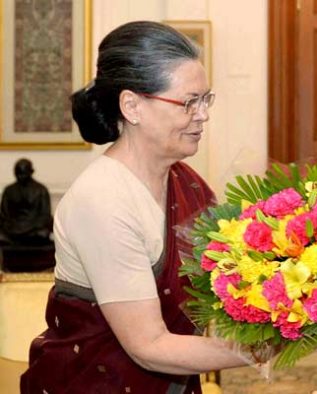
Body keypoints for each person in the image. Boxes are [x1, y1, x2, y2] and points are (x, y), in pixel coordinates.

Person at [21, 21, 246, 393]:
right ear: (132, 106)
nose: (203, 114)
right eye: (189, 102)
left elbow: (239, 278)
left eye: (206, 99)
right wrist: (263, 349)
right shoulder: (102, 199)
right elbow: (150, 346)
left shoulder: (190, 184)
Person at [0, 158, 53, 246]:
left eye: (23, 174)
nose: (20, 177)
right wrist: (14, 226)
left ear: (31, 172)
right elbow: (4, 215)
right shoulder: (9, 190)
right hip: (13, 229)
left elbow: (45, 215)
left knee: (42, 234)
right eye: (18, 173)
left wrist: (28, 227)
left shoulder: (41, 190)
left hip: (33, 229)